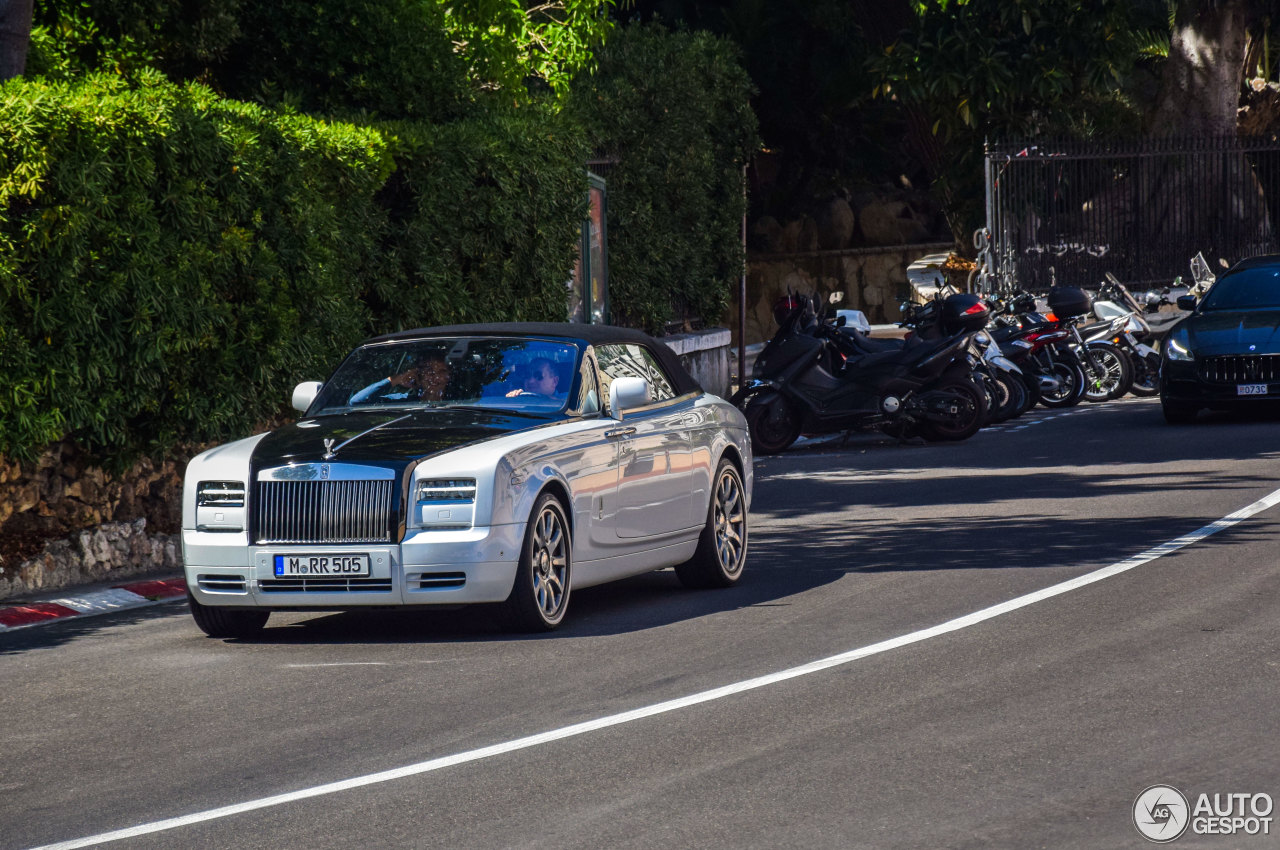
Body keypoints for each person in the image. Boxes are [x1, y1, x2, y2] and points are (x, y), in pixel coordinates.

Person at [350, 354, 450, 404]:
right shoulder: (403, 402)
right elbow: (356, 401)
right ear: (419, 376)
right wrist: (395, 380)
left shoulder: (460, 402)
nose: (435, 377)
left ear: (448, 377)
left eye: (441, 372)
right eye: (429, 371)